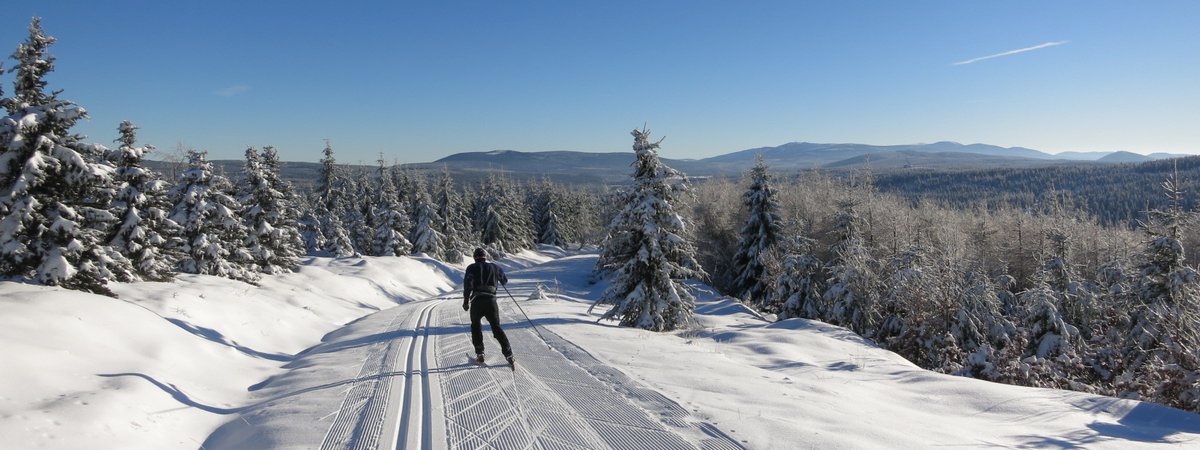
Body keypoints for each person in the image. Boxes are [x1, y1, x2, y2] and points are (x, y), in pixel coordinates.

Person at [463, 247, 514, 367]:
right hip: (491, 301)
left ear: (475, 257)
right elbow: (504, 281)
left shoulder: (471, 268)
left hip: (477, 301)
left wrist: (466, 301)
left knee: (476, 326)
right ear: (485, 257)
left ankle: (480, 353)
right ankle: (509, 354)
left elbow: (468, 286)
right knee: (496, 328)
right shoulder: (495, 267)